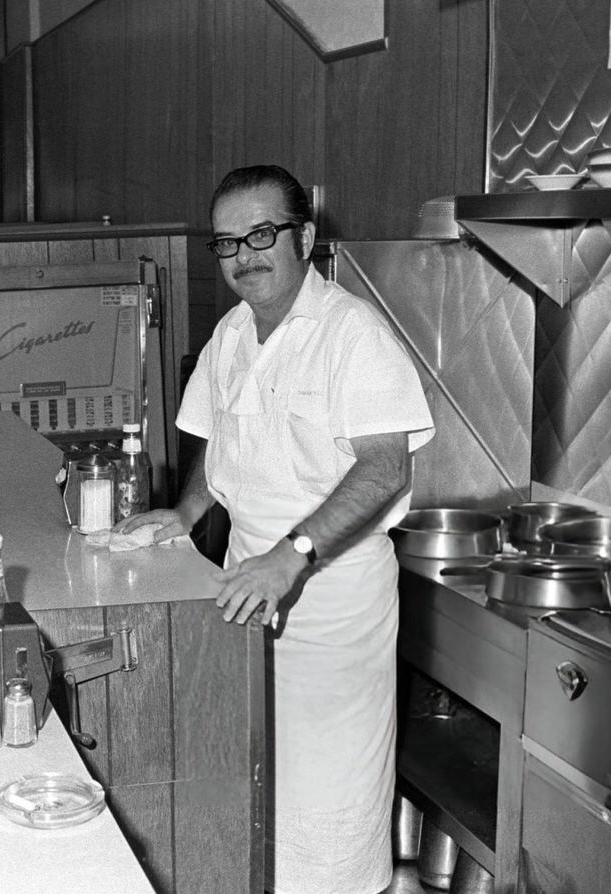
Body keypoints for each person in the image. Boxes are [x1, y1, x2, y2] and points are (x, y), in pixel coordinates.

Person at [118, 164, 434, 893]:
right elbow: (218, 441)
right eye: (226, 243)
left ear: (307, 237)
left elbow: (385, 471)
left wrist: (291, 557)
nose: (243, 257)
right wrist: (188, 511)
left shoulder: (352, 334)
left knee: (328, 816)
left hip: (331, 609)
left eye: (261, 235)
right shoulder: (232, 334)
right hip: (246, 594)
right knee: (257, 795)